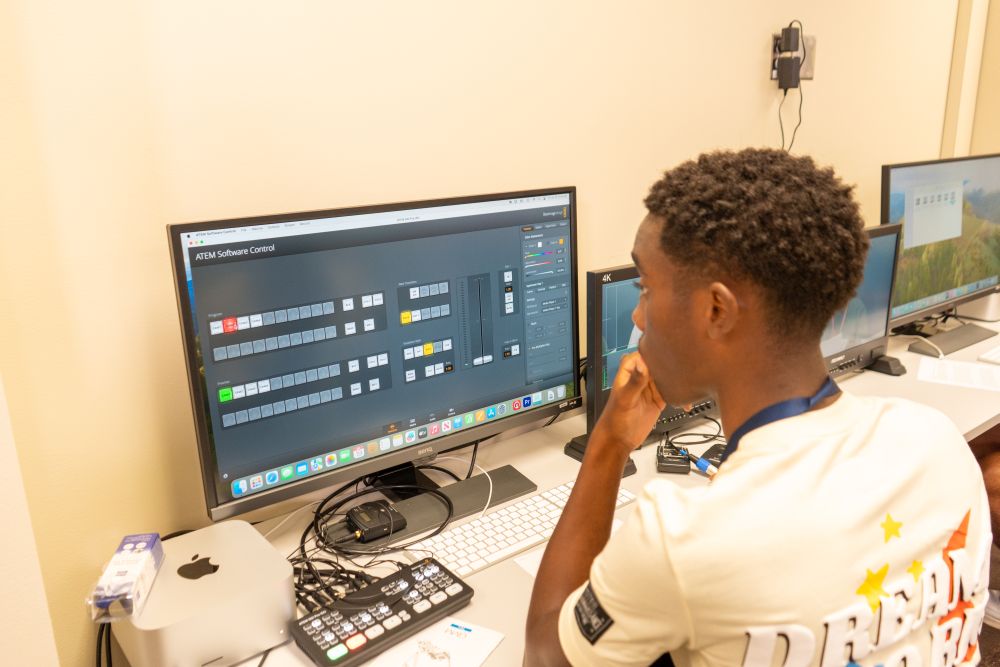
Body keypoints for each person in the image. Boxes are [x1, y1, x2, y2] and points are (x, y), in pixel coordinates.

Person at [524, 148, 991, 667]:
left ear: (717, 310)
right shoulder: (938, 441)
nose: (637, 315)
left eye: (647, 287)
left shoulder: (684, 540)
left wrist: (608, 445)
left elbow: (545, 656)